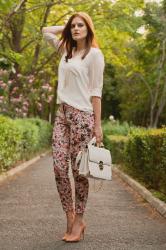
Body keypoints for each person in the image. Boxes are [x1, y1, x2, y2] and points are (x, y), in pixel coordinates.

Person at [42, 11, 105, 242]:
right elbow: (45, 31)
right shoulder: (66, 52)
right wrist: (66, 25)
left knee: (79, 172)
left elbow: (96, 92)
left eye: (81, 25)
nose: (76, 28)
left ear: (89, 28)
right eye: (74, 26)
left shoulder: (95, 56)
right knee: (59, 168)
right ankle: (69, 215)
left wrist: (97, 126)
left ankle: (79, 219)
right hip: (62, 114)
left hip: (83, 116)